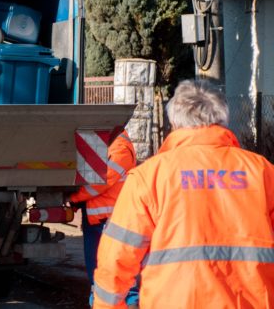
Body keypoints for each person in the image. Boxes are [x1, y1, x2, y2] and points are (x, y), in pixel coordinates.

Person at [92, 79, 274, 309]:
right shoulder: (263, 172)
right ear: (222, 119)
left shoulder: (149, 177)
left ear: (175, 122)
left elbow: (116, 259)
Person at [67, 128, 138, 307]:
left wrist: (73, 198)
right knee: (100, 277)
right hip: (98, 219)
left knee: (116, 277)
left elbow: (99, 184)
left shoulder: (120, 147)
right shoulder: (106, 144)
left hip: (110, 221)